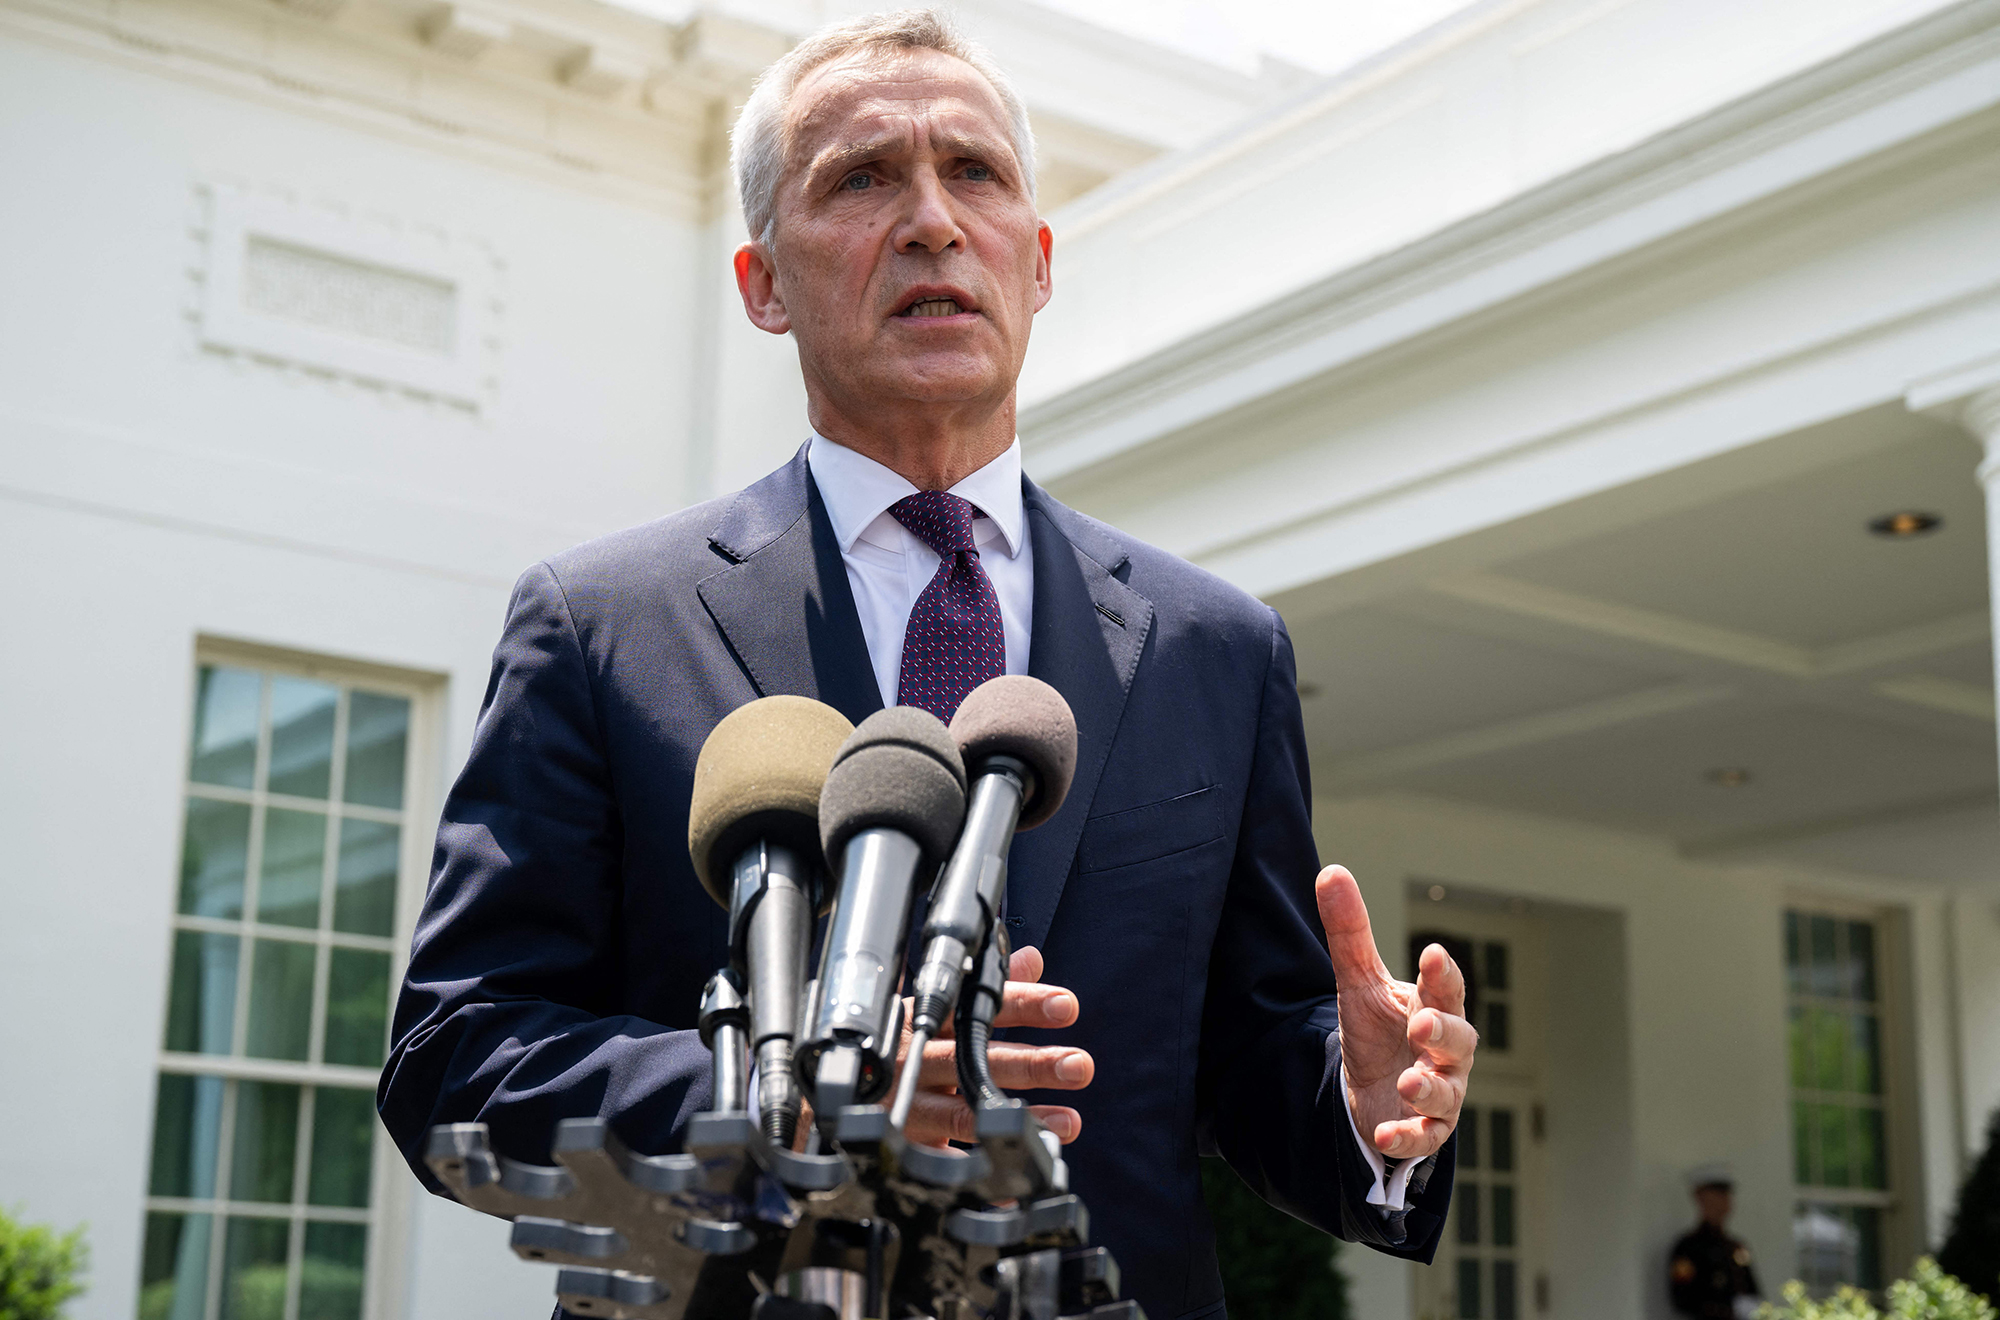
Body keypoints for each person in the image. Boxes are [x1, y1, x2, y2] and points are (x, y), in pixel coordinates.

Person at [377, 10, 1475, 1315]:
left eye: (976, 174)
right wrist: (782, 1089)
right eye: (859, 179)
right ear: (764, 284)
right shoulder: (602, 623)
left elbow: (1243, 1055)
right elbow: (459, 1055)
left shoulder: (1216, 648)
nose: (934, 222)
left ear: (1040, 259)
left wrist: (1356, 1098)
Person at [1669, 1165, 1762, 1320]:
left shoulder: (1736, 1247)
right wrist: (1727, 1310)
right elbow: (1684, 1299)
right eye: (1718, 1194)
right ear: (1700, 1198)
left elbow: (1752, 1291)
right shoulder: (1688, 1248)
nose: (1725, 1200)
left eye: (1726, 1194)